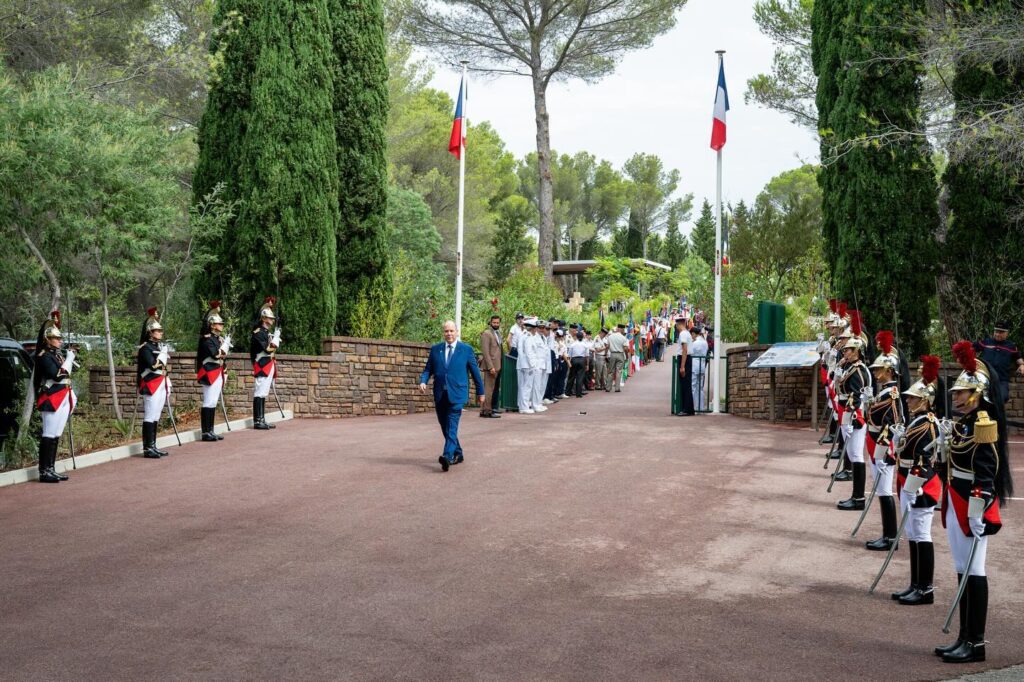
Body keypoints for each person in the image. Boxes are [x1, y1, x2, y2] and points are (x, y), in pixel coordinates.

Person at [935, 341, 1013, 663]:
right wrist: (941, 447)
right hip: (955, 499)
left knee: (974, 571)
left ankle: (976, 643)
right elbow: (949, 468)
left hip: (972, 504)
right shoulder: (960, 424)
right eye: (954, 393)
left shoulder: (982, 425)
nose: (954, 397)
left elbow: (987, 472)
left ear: (977, 394)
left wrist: (979, 509)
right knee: (961, 569)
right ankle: (963, 636)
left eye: (961, 393)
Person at [892, 355, 943, 606]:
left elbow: (924, 460)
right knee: (912, 534)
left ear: (925, 401)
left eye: (912, 398)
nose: (908, 400)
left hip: (921, 485)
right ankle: (915, 583)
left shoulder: (926, 425)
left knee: (922, 534)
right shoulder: (916, 420)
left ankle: (926, 588)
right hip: (907, 480)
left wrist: (912, 487)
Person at [419, 320, 485, 472]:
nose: (449, 334)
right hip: (440, 394)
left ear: (457, 332)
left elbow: (475, 373)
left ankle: (447, 456)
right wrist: (423, 381)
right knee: (445, 426)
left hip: (457, 394)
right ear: (443, 333)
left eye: (451, 331)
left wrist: (481, 392)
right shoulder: (436, 350)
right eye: (446, 331)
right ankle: (458, 452)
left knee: (452, 424)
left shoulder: (466, 350)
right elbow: (428, 369)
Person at [863, 331, 904, 550]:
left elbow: (893, 424)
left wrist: (883, 447)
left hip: (883, 449)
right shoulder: (885, 393)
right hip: (877, 445)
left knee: (885, 491)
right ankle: (887, 534)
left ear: (888, 371)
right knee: (881, 491)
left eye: (879, 370)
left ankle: (890, 537)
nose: (876, 373)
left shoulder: (892, 394)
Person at [33, 311, 75, 482]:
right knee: (48, 434)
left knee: (56, 434)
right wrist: (69, 359)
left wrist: (69, 359)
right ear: (47, 339)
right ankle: (44, 471)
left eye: (59, 338)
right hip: (51, 398)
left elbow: (67, 375)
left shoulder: (56, 355)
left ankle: (51, 468)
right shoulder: (43, 356)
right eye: (56, 338)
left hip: (62, 396)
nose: (60, 341)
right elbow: (56, 375)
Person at [835, 323, 871, 511]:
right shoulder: (852, 367)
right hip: (849, 414)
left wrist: (850, 419)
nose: (845, 352)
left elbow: (855, 398)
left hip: (855, 417)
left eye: (849, 349)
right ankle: (855, 495)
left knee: (856, 455)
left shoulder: (858, 370)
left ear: (857, 351)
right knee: (852, 453)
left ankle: (858, 497)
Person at [137, 307, 171, 459]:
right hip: (151, 383)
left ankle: (154, 445)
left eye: (161, 330)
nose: (160, 333)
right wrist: (162, 357)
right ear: (150, 333)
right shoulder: (145, 348)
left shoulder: (157, 347)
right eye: (158, 330)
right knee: (150, 415)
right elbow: (152, 365)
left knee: (156, 415)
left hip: (160, 382)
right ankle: (147, 448)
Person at [197, 300, 230, 442]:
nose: (221, 325)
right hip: (209, 371)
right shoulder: (207, 340)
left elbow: (222, 357)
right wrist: (224, 347)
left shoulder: (217, 338)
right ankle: (205, 432)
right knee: (208, 401)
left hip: (217, 371)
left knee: (213, 402)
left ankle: (211, 430)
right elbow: (215, 354)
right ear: (212, 325)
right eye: (219, 323)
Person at [250, 296, 280, 431]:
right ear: (264, 318)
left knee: (264, 393)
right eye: (270, 318)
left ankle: (262, 419)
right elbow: (267, 350)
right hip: (262, 364)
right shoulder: (258, 333)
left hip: (268, 364)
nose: (272, 320)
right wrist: (276, 341)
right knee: (259, 392)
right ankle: (257, 420)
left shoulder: (267, 333)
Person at [975, 322, 1023, 404]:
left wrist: (1022, 365)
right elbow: (971, 349)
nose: (997, 334)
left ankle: (995, 414)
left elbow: (1018, 357)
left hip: (1001, 379)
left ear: (1007, 333)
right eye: (996, 331)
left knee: (1003, 397)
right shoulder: (986, 342)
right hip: (984, 378)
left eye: (1001, 332)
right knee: (980, 397)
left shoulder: (1011, 346)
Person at [479, 315, 503, 418]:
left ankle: (488, 410)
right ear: (490, 322)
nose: (496, 324)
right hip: (491, 366)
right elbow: (485, 352)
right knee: (488, 389)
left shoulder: (498, 333)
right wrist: (490, 366)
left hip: (497, 365)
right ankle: (487, 411)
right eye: (494, 323)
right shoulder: (486, 334)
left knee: (492, 389)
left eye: (498, 323)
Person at [676, 316, 694, 416]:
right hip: (688, 359)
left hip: (684, 359)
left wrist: (682, 366)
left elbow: (684, 350)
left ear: (680, 324)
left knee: (685, 385)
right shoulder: (687, 333)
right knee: (687, 384)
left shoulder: (683, 334)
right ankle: (689, 408)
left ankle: (686, 409)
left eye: (677, 325)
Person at [690, 325, 709, 412]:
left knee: (693, 387)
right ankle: (700, 407)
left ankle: (693, 407)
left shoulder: (695, 343)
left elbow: (690, 352)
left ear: (694, 334)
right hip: (702, 366)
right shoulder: (705, 342)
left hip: (694, 365)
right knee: (700, 388)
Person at [606, 323, 628, 392]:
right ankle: (617, 388)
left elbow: (607, 346)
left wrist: (606, 354)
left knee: (611, 371)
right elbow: (625, 348)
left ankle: (608, 388)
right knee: (619, 371)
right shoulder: (623, 338)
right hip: (620, 354)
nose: (624, 330)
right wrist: (626, 356)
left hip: (612, 354)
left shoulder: (610, 336)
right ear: (621, 329)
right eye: (623, 329)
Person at [567, 331, 589, 398]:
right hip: (582, 360)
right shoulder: (585, 345)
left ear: (576, 337)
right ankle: (578, 393)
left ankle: (568, 392)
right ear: (582, 337)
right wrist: (587, 364)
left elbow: (569, 355)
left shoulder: (573, 345)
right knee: (580, 377)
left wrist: (569, 363)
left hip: (574, 360)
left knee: (571, 376)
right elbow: (587, 356)